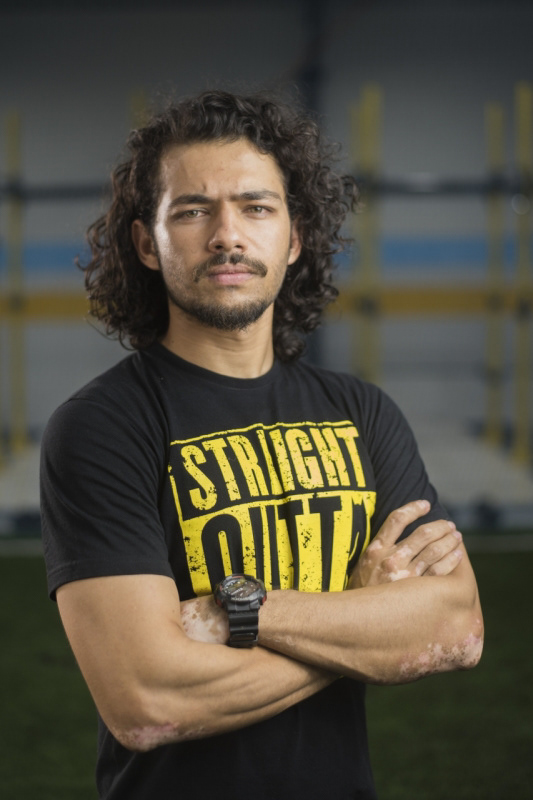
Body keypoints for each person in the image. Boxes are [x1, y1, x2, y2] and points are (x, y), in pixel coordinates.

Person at [40, 90, 483, 800]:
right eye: (193, 211)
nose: (227, 235)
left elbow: (456, 624)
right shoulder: (103, 427)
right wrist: (364, 623)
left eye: (255, 207)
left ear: (294, 238)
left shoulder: (362, 414)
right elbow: (147, 699)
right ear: (146, 244)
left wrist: (237, 610)